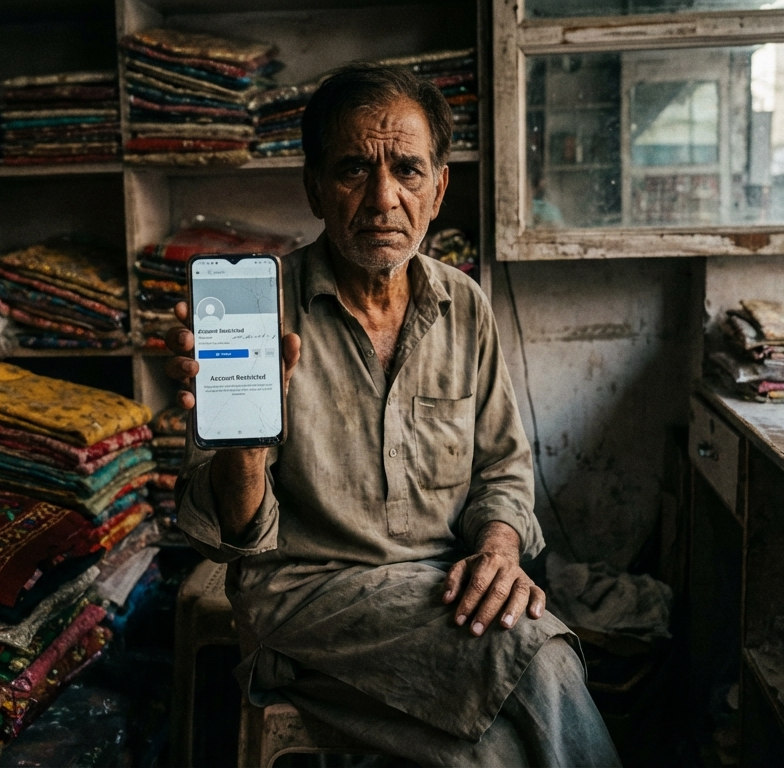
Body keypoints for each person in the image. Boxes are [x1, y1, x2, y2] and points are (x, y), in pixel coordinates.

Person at [164, 63, 620, 766]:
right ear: (314, 187)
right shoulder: (259, 312)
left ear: (438, 189)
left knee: (494, 755)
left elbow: (502, 467)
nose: (382, 199)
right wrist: (246, 444)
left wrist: (498, 550)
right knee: (546, 655)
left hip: (438, 594)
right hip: (306, 602)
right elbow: (229, 539)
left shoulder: (463, 307)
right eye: (352, 169)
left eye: (407, 170)